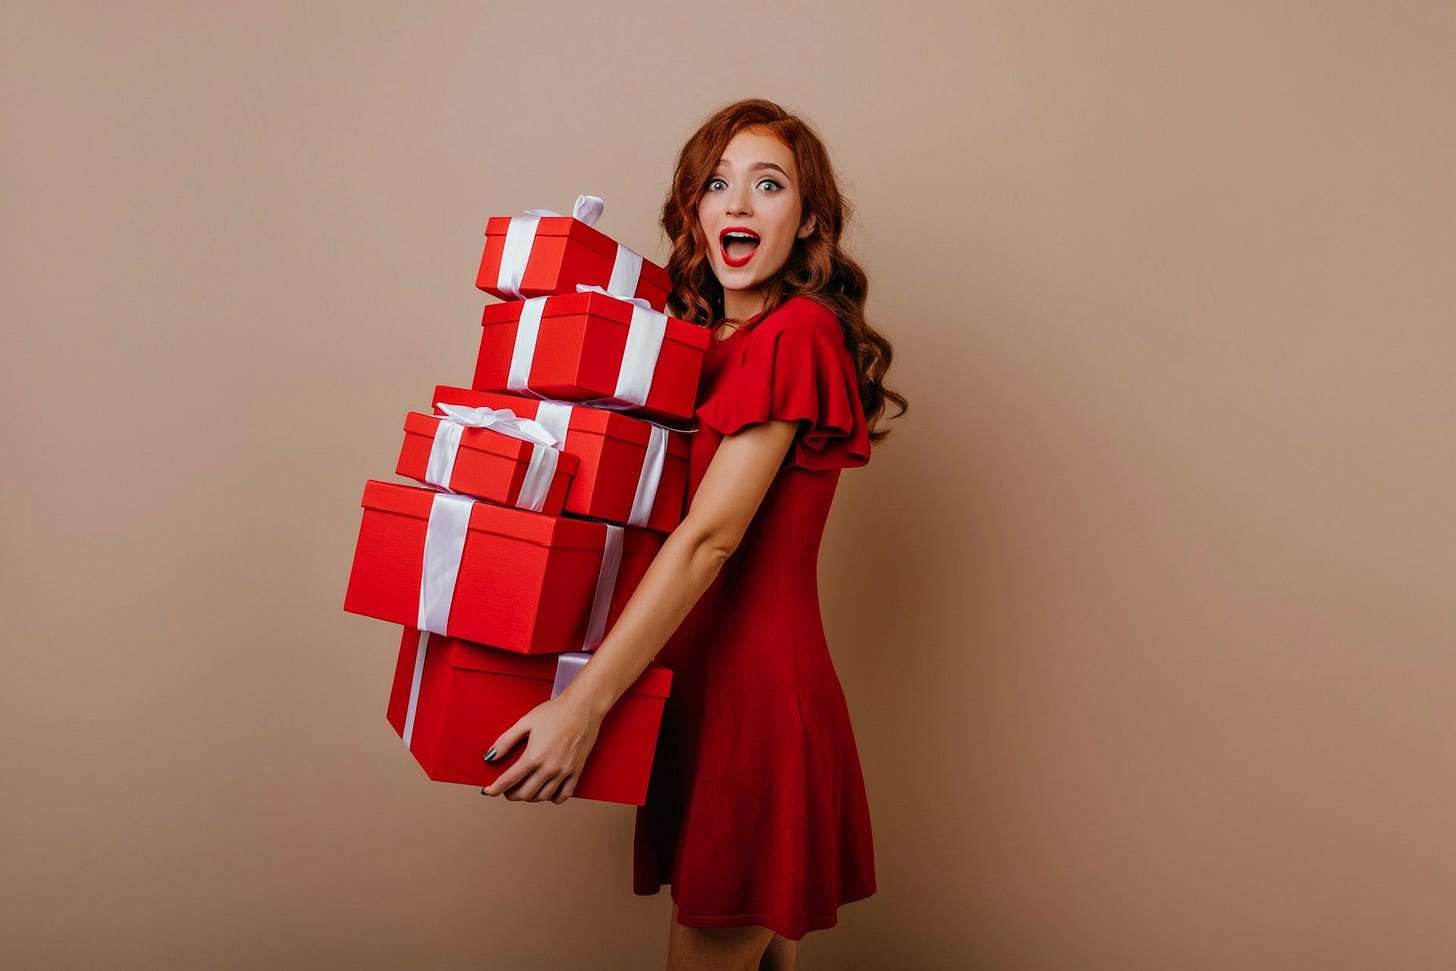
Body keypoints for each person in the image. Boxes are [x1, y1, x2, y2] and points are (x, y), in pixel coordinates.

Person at [481, 98, 906, 971]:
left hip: (757, 707)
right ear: (694, 207)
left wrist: (583, 706)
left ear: (810, 217)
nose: (738, 205)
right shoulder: (691, 342)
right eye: (718, 183)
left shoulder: (799, 334)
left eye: (768, 184)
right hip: (698, 698)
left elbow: (710, 540)